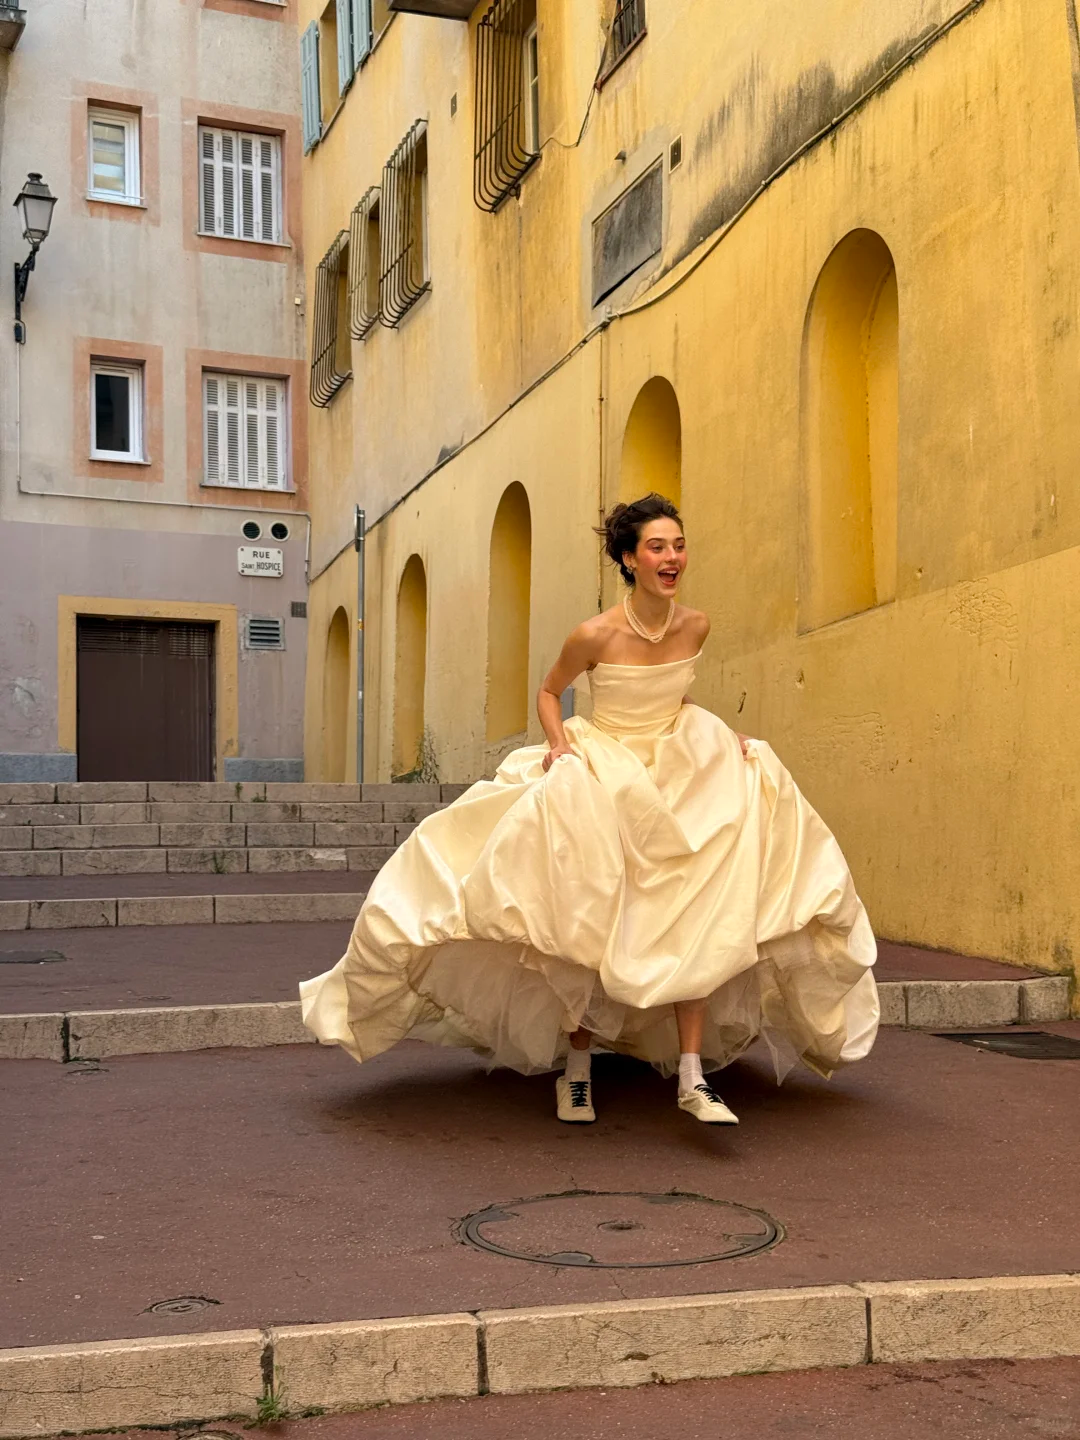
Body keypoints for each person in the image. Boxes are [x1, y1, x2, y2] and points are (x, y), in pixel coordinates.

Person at [300, 493, 879, 1126]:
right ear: (630, 560)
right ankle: (577, 1069)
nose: (672, 557)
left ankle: (692, 1078)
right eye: (657, 547)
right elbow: (550, 692)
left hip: (683, 765)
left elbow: (676, 698)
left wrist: (723, 739)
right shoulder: (595, 633)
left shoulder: (697, 625)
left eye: (678, 545)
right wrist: (558, 745)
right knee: (589, 913)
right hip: (606, 762)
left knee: (704, 909)